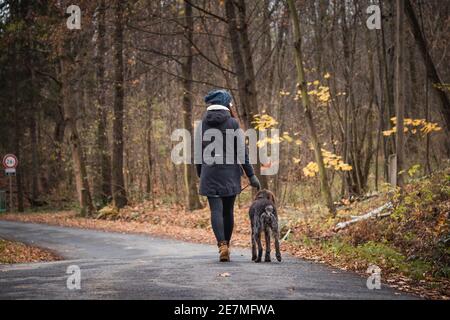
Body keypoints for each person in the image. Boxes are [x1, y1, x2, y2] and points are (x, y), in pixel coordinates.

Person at [195, 89, 261, 262]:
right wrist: (251, 175)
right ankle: (227, 246)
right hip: (230, 174)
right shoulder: (232, 123)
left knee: (215, 210)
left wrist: (200, 173)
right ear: (226, 104)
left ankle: (222, 245)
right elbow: (242, 151)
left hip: (209, 173)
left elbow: (196, 153)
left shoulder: (201, 124)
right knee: (227, 211)